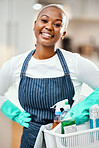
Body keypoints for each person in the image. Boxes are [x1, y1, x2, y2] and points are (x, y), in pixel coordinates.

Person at [0, 4, 99, 148]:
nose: (49, 27)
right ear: (35, 25)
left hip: (65, 138)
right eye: (44, 20)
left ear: (63, 33)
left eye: (57, 24)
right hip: (30, 140)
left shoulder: (76, 63)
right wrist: (15, 114)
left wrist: (82, 108)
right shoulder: (16, 64)